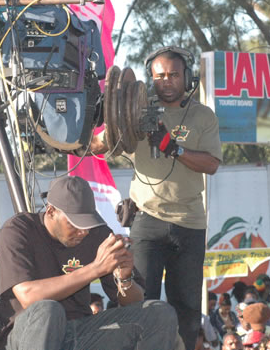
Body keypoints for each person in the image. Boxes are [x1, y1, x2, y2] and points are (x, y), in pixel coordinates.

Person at [91, 45, 222, 350]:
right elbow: (102, 142)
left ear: (186, 77)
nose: (167, 80)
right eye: (160, 75)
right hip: (147, 220)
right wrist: (73, 135)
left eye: (174, 74)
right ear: (151, 78)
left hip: (190, 222)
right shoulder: (135, 111)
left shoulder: (203, 116)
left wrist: (173, 147)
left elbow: (211, 164)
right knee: (138, 299)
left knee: (187, 308)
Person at [0, 175, 178, 350]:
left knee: (159, 314)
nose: (83, 231)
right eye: (74, 224)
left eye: (86, 223)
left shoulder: (97, 233)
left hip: (79, 331)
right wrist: (95, 269)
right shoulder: (19, 230)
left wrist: (125, 278)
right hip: (28, 335)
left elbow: (135, 302)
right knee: (48, 310)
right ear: (51, 211)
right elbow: (29, 297)